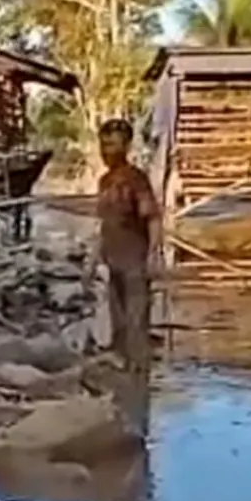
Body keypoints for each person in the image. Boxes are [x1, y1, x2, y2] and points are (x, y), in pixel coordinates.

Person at [94, 116, 161, 368]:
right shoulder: (105, 181)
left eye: (112, 145)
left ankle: (139, 380)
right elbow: (104, 225)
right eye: (103, 144)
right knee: (118, 321)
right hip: (113, 261)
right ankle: (123, 375)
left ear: (126, 147)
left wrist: (154, 256)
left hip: (135, 261)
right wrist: (92, 260)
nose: (107, 151)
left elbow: (153, 218)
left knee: (136, 321)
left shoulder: (136, 179)